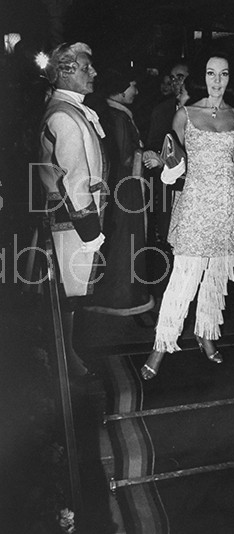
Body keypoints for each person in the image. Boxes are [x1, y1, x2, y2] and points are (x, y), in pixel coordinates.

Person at [141, 52, 234, 379]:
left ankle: (206, 333)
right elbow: (173, 161)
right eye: (211, 73)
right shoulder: (184, 114)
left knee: (217, 275)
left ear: (230, 77)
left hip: (229, 203)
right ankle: (161, 345)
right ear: (202, 77)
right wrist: (168, 171)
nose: (217, 81)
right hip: (194, 202)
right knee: (184, 277)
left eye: (223, 74)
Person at [38, 42, 107, 377]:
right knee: (70, 294)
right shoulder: (64, 116)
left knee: (73, 293)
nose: (93, 72)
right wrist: (91, 232)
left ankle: (66, 354)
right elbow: (75, 182)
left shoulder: (71, 109)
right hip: (72, 221)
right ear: (65, 72)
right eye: (85, 67)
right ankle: (64, 360)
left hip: (76, 217)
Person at [85, 66, 154, 320]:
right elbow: (126, 157)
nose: (135, 91)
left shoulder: (111, 113)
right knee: (126, 245)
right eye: (132, 85)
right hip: (126, 191)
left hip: (118, 189)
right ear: (121, 88)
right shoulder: (118, 117)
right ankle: (123, 298)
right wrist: (145, 154)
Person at [144, 60, 191, 246]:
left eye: (180, 77)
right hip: (168, 185)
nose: (175, 83)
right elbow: (152, 145)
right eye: (172, 78)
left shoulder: (201, 112)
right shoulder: (162, 110)